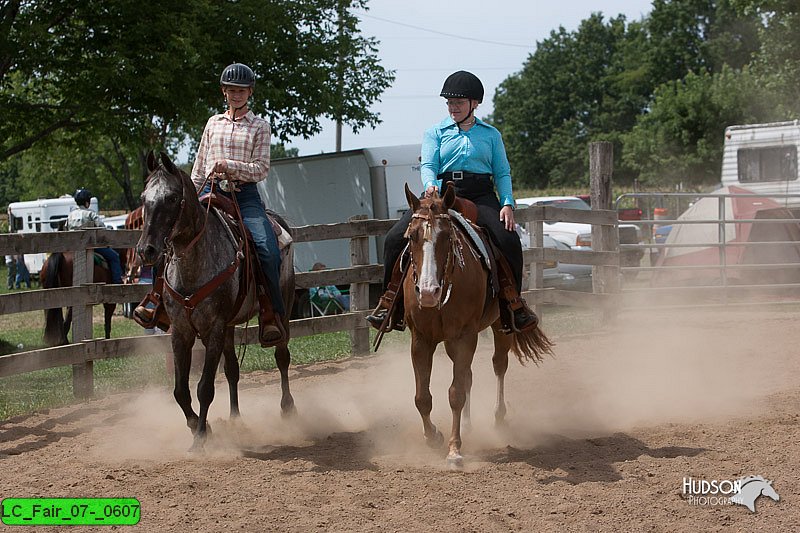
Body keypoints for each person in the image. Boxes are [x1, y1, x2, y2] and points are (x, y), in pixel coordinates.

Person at [366, 70, 538, 333]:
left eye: (458, 102)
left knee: (508, 240)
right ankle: (391, 304)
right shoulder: (435, 132)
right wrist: (430, 184)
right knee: (393, 238)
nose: (453, 107)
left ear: (474, 104)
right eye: (449, 102)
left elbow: (502, 172)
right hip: (442, 194)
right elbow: (429, 165)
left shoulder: (491, 135)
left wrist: (506, 203)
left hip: (481, 195)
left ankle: (513, 307)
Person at [136, 62, 284, 346]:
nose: (236, 95)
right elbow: (199, 165)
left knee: (267, 248)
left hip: (244, 196)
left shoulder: (260, 127)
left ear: (249, 92)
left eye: (241, 90)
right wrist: (192, 193)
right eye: (231, 90)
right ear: (224, 92)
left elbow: (261, 169)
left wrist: (230, 166)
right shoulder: (213, 123)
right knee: (170, 235)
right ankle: (157, 300)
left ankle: (270, 313)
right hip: (207, 193)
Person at [66, 188, 123, 284]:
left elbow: (66, 229)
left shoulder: (70, 216)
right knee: (114, 257)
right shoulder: (91, 214)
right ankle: (117, 282)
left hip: (74, 246)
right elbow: (102, 228)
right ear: (87, 202)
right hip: (91, 246)